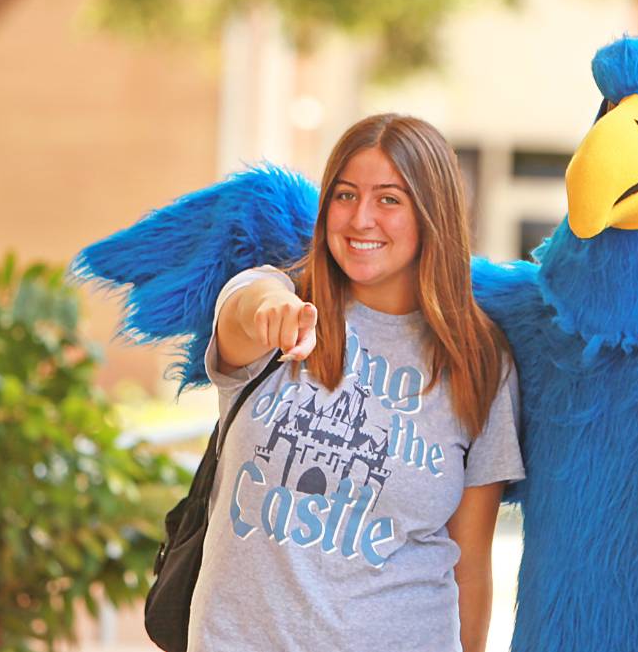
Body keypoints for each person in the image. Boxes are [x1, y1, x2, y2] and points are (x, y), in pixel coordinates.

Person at [192, 113, 524, 651]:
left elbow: (471, 566)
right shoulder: (280, 300)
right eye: (345, 196)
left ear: (431, 213)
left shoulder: (479, 361)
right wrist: (274, 312)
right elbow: (244, 308)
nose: (361, 218)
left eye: (389, 199)